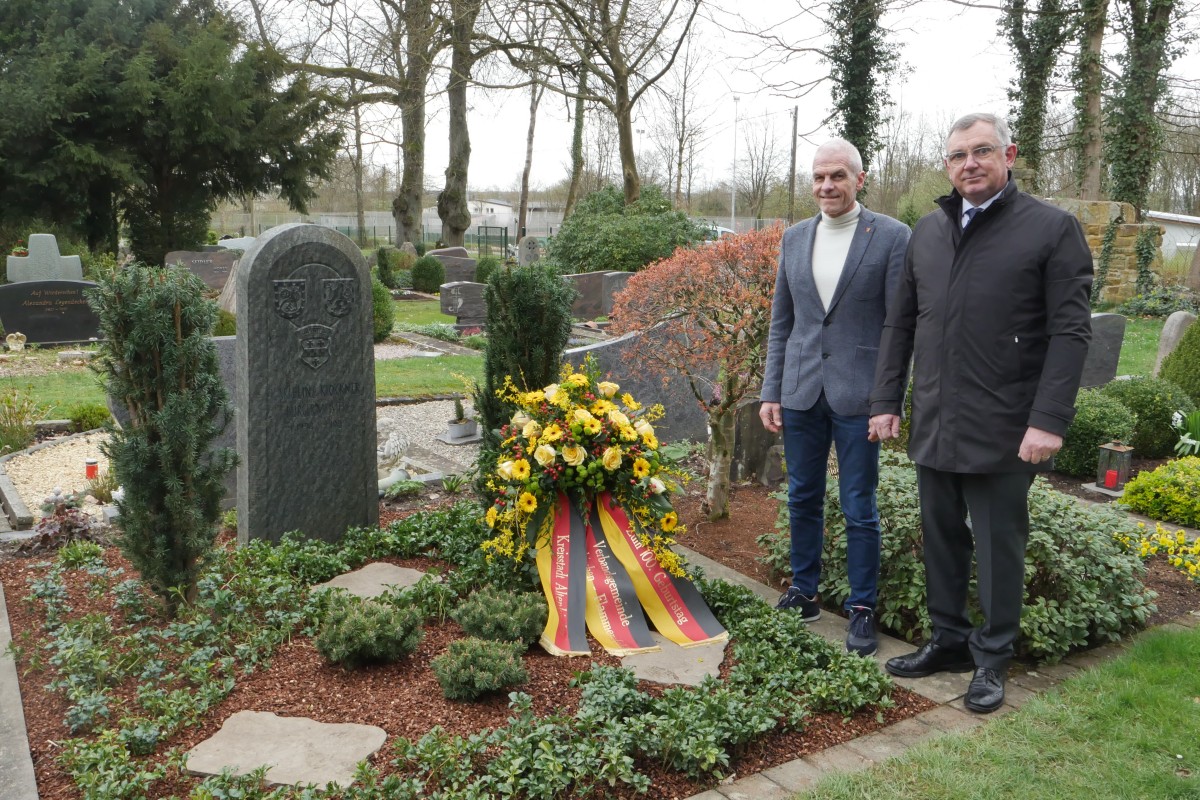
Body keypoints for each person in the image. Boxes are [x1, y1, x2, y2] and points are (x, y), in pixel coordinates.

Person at [868, 112, 1092, 712]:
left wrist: (1049, 419)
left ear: (1009, 154)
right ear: (947, 165)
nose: (969, 163)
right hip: (937, 417)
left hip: (1007, 423)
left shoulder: (1051, 229)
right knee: (940, 537)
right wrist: (887, 399)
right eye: (958, 155)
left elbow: (1071, 333)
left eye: (982, 151)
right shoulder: (928, 231)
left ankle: (992, 658)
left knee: (998, 543)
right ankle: (947, 639)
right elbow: (901, 322)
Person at [760, 138, 910, 656]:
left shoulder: (892, 237)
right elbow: (783, 322)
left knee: (858, 504)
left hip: (859, 396)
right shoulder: (794, 237)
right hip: (801, 391)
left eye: (838, 176)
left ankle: (862, 608)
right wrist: (771, 390)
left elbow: (898, 326)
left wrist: (888, 399)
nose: (827, 186)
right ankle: (804, 591)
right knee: (801, 495)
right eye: (820, 177)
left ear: (859, 179)